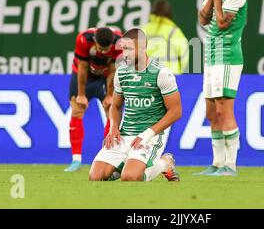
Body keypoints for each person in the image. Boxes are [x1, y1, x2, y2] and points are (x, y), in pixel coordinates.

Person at [89, 28, 182, 182]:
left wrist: (148, 134)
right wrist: (113, 127)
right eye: (123, 49)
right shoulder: (121, 73)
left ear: (143, 48)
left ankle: (165, 163)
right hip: (125, 134)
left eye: (129, 49)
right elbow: (116, 106)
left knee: (130, 178)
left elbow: (176, 111)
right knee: (95, 177)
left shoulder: (162, 74)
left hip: (150, 136)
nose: (125, 54)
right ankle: (125, 163)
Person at [195, 0, 247, 176]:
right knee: (211, 112)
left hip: (227, 56)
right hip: (211, 55)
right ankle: (217, 163)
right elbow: (203, 19)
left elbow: (224, 22)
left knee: (225, 110)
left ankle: (231, 165)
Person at [65, 27, 123, 172]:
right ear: (95, 41)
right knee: (77, 110)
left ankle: (107, 158)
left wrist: (110, 95)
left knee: (112, 110)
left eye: (106, 49)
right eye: (100, 48)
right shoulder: (83, 39)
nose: (103, 52)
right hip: (83, 76)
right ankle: (76, 160)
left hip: (105, 78)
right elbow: (82, 67)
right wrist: (81, 94)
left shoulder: (119, 42)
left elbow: (113, 70)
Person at [142, 0, 189, 74]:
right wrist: (180, 72)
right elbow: (184, 55)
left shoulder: (143, 29)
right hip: (170, 74)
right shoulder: (174, 31)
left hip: (147, 75)